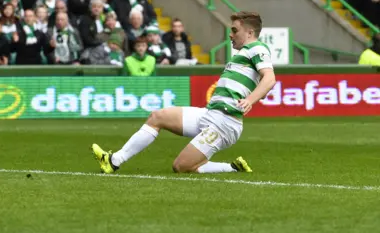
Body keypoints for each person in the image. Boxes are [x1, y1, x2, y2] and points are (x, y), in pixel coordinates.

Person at [91, 11, 276, 175]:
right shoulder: (243, 54)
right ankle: (114, 160)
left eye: (235, 30)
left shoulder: (257, 48)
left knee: (181, 166)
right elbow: (261, 83)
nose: (230, 34)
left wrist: (250, 99)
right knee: (158, 116)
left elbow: (269, 78)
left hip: (225, 122)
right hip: (211, 113)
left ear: (250, 33)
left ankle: (231, 168)